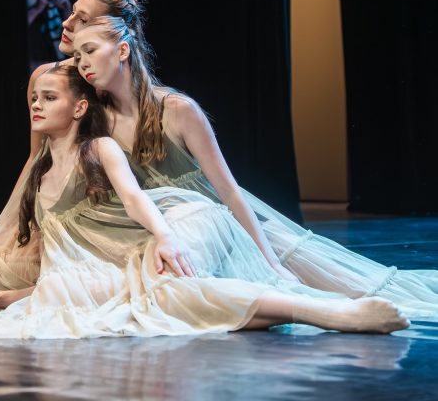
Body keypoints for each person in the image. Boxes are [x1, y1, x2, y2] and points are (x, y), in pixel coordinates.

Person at [0, 65, 409, 338]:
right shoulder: (42, 174)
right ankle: (308, 310)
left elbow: (135, 198)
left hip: (176, 225)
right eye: (33, 99)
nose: (36, 105)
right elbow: (67, 279)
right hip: (113, 265)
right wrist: (3, 297)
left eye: (48, 97)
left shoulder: (99, 148)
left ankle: (328, 314)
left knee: (166, 292)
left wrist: (164, 236)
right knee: (139, 299)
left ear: (80, 107)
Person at [66, 16, 438, 318]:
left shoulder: (177, 110)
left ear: (123, 50)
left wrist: (269, 259)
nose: (82, 63)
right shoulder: (96, 121)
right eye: (77, 55)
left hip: (230, 225)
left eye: (90, 51)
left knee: (355, 289)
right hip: (177, 235)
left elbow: (228, 190)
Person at [0, 0, 148, 296]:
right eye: (72, 13)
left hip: (98, 197)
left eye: (82, 19)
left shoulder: (108, 81)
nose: (67, 23)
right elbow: (36, 156)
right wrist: (11, 224)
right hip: (55, 199)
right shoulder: (46, 76)